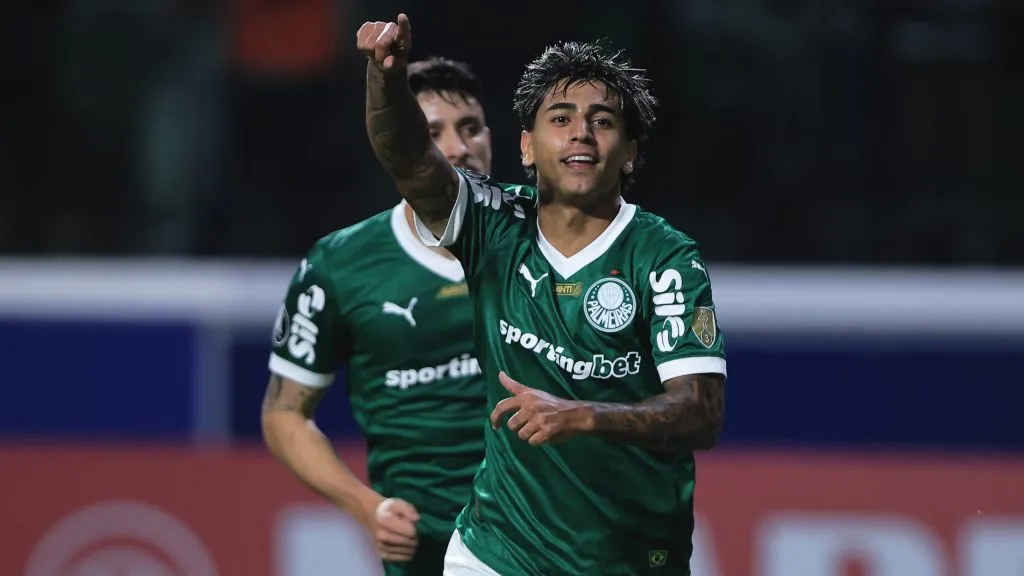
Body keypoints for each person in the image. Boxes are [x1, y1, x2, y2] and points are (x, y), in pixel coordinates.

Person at [356, 14, 728, 576]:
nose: (581, 132)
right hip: (496, 553)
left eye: (602, 121)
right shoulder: (491, 223)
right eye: (561, 118)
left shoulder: (664, 257)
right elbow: (409, 159)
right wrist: (386, 79)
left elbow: (702, 411)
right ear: (528, 147)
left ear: (629, 153)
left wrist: (583, 415)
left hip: (631, 557)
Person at [261, 56, 493, 576]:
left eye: (472, 128)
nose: (458, 147)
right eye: (432, 132)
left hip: (546, 538)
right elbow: (284, 415)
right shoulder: (340, 265)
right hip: (429, 553)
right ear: (400, 144)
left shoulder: (544, 242)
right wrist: (366, 507)